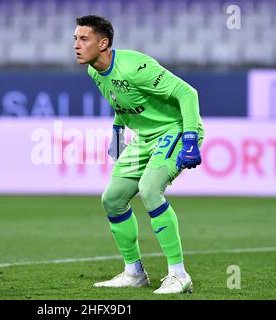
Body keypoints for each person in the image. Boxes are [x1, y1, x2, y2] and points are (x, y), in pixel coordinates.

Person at [74, 15, 204, 294]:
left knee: (149, 189)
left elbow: (188, 93)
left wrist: (191, 138)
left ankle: (179, 275)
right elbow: (121, 103)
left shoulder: (135, 67)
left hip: (176, 129)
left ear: (103, 42)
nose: (76, 44)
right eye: (75, 38)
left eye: (83, 39)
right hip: (145, 139)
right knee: (112, 199)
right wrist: (117, 132)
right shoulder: (94, 71)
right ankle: (134, 272)